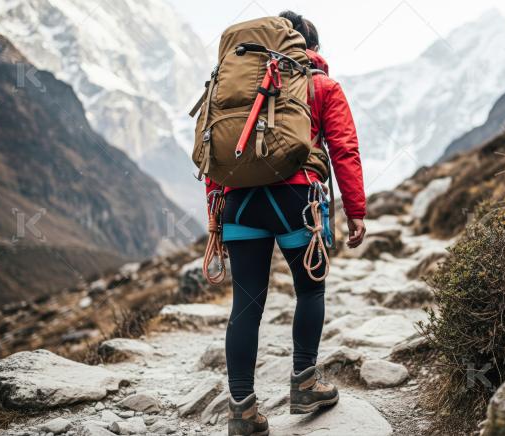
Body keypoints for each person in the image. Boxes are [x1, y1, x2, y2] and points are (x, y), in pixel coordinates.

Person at [206, 11, 367, 436]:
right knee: (310, 288)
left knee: (246, 304)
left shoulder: (233, 88)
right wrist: (356, 211)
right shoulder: (322, 86)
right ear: (310, 47)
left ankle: (241, 409)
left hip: (238, 200)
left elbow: (214, 151)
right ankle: (305, 383)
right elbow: (345, 151)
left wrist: (215, 213)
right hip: (295, 198)